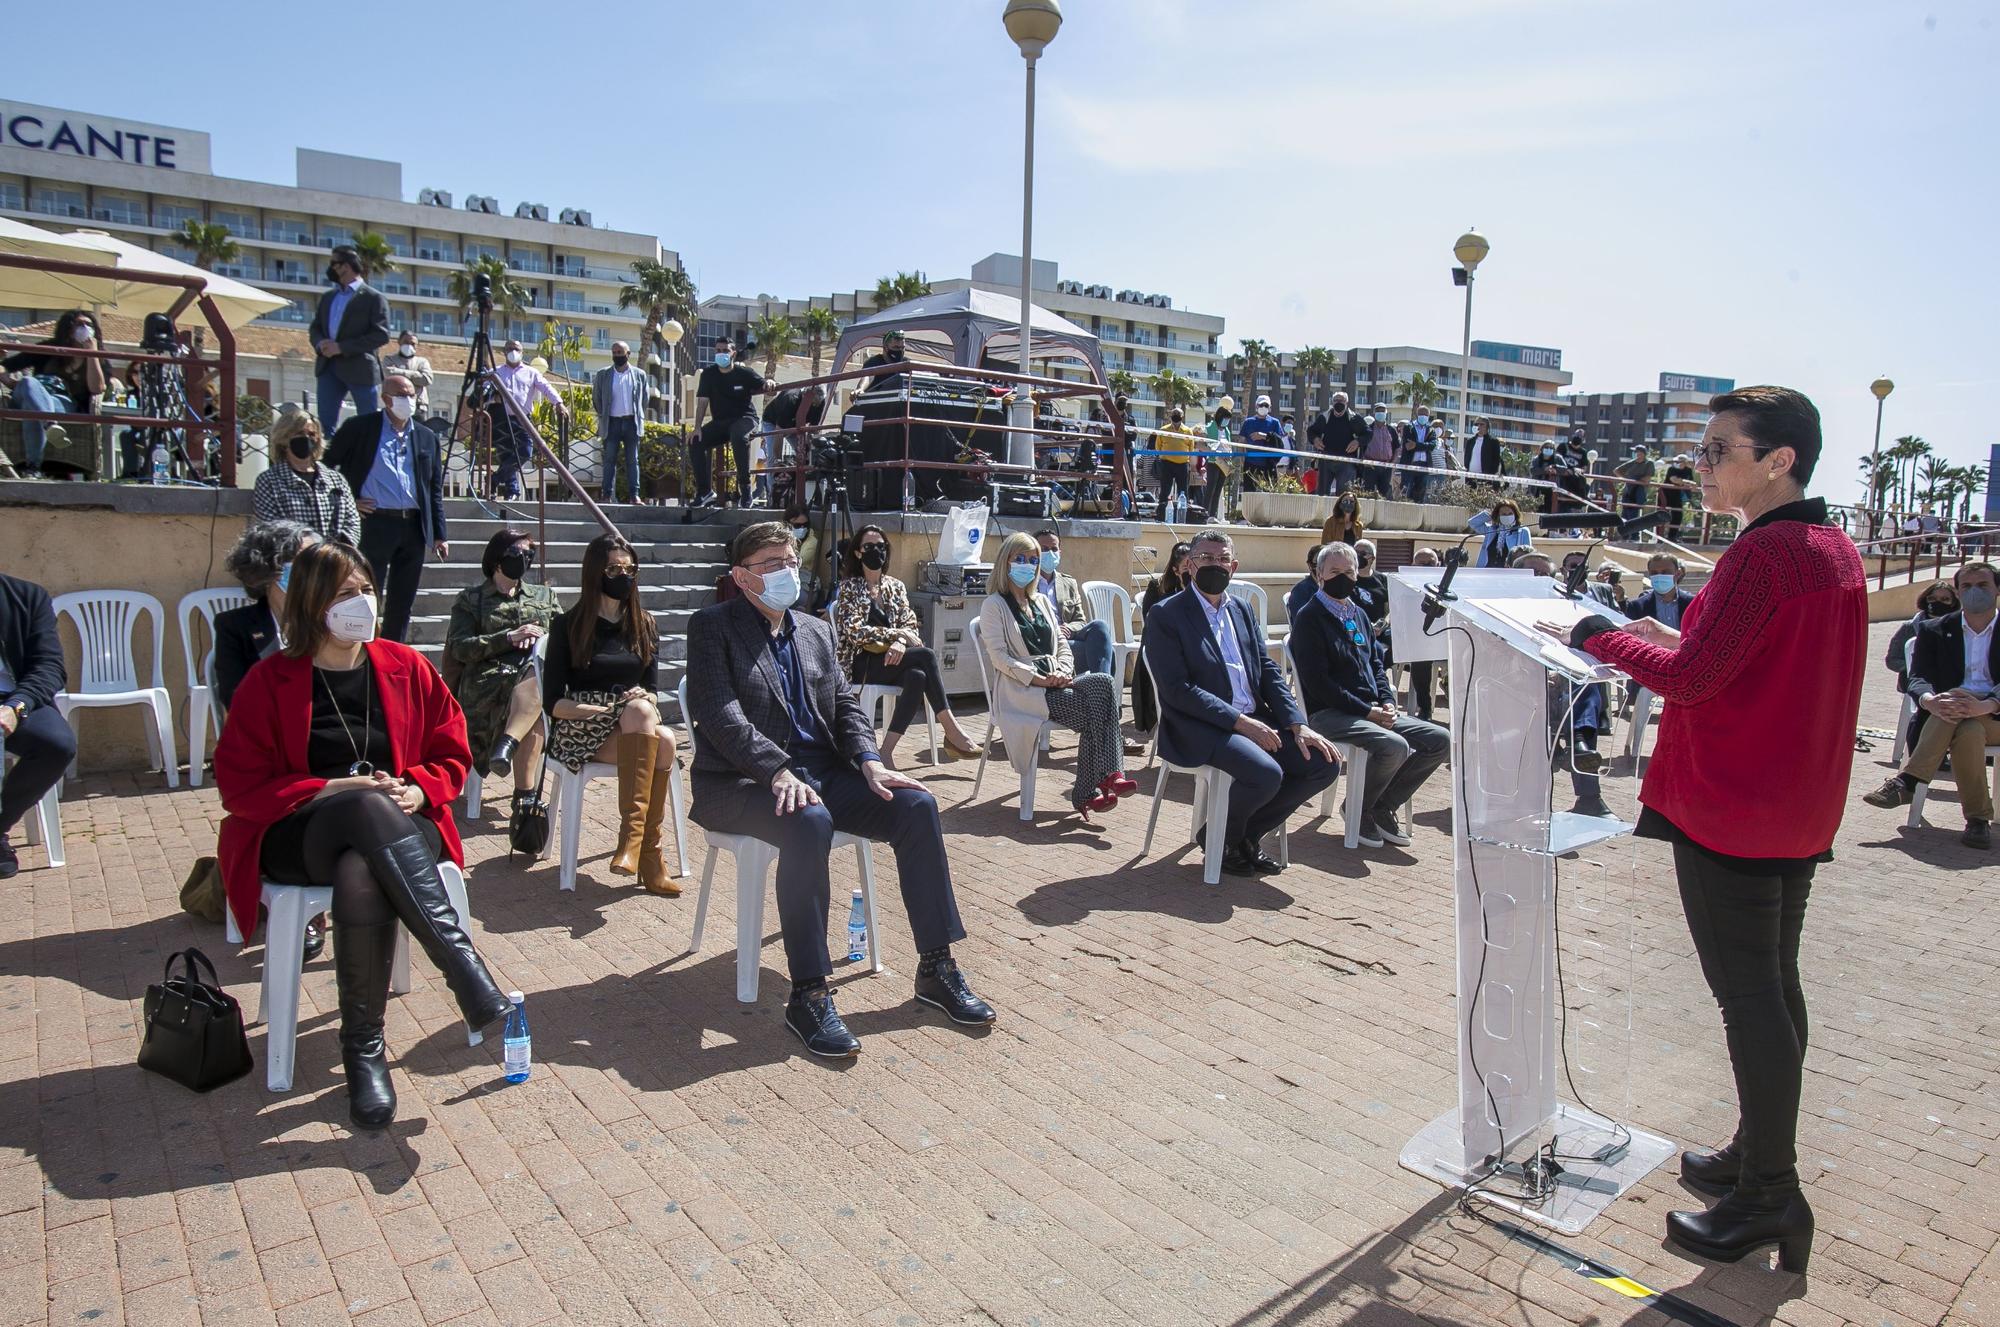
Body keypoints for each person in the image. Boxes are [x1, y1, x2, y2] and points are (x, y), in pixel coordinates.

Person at [1550, 385, 1865, 1273]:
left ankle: (1770, 1193)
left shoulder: (1763, 555)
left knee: (1751, 997)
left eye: (1718, 450)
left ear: (1779, 461)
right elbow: (1734, 656)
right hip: (1793, 804)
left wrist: (1599, 635)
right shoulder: (1831, 548)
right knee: (1774, 985)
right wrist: (1667, 632)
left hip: (1736, 804)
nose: (1699, 466)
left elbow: (1691, 680)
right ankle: (1757, 1153)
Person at [212, 540, 513, 1130]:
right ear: (312, 604)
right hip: (298, 833)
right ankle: (463, 970)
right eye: (346, 593)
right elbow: (238, 784)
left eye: (367, 590)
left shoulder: (405, 665)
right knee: (359, 811)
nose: (363, 603)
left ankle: (363, 1053)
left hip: (401, 826)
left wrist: (421, 790)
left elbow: (452, 752)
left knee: (362, 865)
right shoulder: (270, 679)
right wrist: (325, 790)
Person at [686, 522, 995, 1057]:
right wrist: (775, 769)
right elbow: (719, 713)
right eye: (771, 564)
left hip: (824, 772)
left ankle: (936, 968)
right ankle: (808, 992)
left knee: (917, 806)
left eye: (790, 560)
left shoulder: (815, 629)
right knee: (809, 822)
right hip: (744, 781)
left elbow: (845, 707)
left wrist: (872, 762)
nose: (788, 571)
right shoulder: (713, 627)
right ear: (741, 577)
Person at [1143, 530, 1340, 876]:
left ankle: (1233, 836)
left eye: (1222, 559)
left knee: (1322, 763)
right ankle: (1230, 841)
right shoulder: (1166, 615)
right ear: (1189, 565)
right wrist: (1240, 722)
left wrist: (1298, 724)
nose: (1214, 565)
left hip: (1255, 719)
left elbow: (1266, 671)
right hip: (1201, 726)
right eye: (1205, 558)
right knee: (1265, 773)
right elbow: (1178, 689)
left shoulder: (1242, 610)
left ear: (1234, 566)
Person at [542, 535, 681, 894]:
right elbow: (553, 703)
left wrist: (641, 699)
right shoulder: (567, 626)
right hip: (581, 726)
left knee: (659, 733)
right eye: (614, 569)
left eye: (630, 569)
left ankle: (637, 847)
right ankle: (646, 854)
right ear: (595, 573)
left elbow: (651, 689)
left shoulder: (644, 623)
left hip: (632, 724)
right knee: (657, 734)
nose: (624, 575)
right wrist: (598, 710)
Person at [1291, 542, 1450, 847]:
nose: (1342, 577)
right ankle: (1357, 808)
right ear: (1319, 573)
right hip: (1330, 714)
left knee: (1439, 741)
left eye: (1348, 571)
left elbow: (1375, 664)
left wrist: (1388, 702)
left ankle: (1381, 805)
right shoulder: (1310, 618)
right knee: (1394, 746)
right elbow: (1319, 684)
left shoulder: (1358, 614)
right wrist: (1368, 711)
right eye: (1334, 571)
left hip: (1371, 710)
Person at [978, 531, 1138, 822]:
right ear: (1006, 562)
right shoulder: (994, 605)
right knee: (1096, 714)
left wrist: (1063, 671)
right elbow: (1000, 658)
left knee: (1103, 683)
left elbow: (1062, 644)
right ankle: (1099, 784)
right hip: (1023, 690)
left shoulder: (1040, 601)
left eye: (1033, 560)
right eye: (1021, 559)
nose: (1028, 565)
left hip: (1056, 680)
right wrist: (1039, 679)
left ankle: (1105, 780)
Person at [1863, 561, 1999, 848]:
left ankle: (1907, 783)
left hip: (1995, 715)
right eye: (1967, 586)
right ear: (1959, 592)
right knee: (1967, 729)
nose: (1975, 591)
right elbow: (1918, 677)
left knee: (1962, 720)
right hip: (1951, 711)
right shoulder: (1934, 629)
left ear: (1997, 589)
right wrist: (1930, 701)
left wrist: (1987, 705)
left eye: (1983, 585)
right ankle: (1977, 821)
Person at [829, 527, 981, 766]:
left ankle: (886, 751)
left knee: (917, 676)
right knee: (926, 655)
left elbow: (911, 625)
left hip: (893, 661)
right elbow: (855, 632)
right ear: (858, 553)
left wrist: (900, 642)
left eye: (881, 546)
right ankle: (951, 729)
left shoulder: (895, 586)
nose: (875, 551)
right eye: (869, 547)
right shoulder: (849, 587)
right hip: (860, 664)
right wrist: (898, 635)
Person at [325, 374, 447, 644]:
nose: (408, 400)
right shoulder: (360, 428)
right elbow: (326, 467)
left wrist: (439, 534)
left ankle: (392, 651)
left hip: (413, 526)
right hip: (375, 522)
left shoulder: (426, 437)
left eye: (412, 395)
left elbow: (434, 489)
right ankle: (361, 647)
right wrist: (348, 500)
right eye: (401, 395)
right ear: (386, 398)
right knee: (367, 594)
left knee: (402, 601)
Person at [447, 529, 561, 811]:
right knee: (537, 709)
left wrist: (543, 637)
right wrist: (508, 638)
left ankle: (509, 748)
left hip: (532, 677)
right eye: (518, 554)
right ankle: (526, 799)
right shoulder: (471, 599)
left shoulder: (544, 595)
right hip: (488, 684)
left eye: (529, 555)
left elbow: (566, 638)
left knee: (537, 682)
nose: (524, 560)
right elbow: (460, 648)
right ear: (498, 560)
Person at [0, 572, 73, 879]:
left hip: (14, 696)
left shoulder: (27, 596)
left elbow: (49, 665)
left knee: (56, 744)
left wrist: (16, 706)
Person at [216, 521, 321, 711]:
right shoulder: (234, 626)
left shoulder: (330, 620)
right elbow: (234, 698)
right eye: (303, 564)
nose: (314, 575)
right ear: (268, 571)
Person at [2, 310, 105, 476]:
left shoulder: (98, 357)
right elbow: (5, 365)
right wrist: (8, 381)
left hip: (62, 403)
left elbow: (97, 389)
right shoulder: (48, 349)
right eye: (80, 324)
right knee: (28, 382)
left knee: (32, 410)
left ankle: (33, 468)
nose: (85, 328)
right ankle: (50, 424)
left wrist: (91, 354)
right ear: (68, 328)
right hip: (29, 393)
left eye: (89, 325)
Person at [308, 246, 391, 437]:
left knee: (368, 423)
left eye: (335, 263)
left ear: (347, 265)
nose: (332, 268)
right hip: (328, 367)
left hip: (360, 369)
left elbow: (381, 335)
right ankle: (327, 463)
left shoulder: (373, 297)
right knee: (325, 425)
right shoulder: (328, 297)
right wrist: (321, 343)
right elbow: (315, 327)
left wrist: (342, 347)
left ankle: (367, 462)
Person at [254, 408, 362, 545]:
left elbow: (352, 521)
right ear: (284, 438)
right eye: (299, 433)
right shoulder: (269, 481)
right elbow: (270, 526)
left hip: (333, 559)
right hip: (293, 560)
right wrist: (307, 549)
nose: (306, 439)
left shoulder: (336, 480)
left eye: (311, 434)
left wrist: (336, 551)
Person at [691, 336, 771, 506]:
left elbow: (764, 383)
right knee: (695, 441)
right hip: (721, 422)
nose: (721, 354)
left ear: (733, 353)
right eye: (718, 351)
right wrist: (697, 428)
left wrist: (769, 382)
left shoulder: (744, 373)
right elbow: (702, 402)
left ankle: (746, 489)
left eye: (725, 351)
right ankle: (704, 491)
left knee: (738, 436)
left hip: (745, 418)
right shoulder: (708, 374)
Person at [486, 339, 570, 501]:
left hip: (523, 419)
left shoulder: (531, 372)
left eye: (516, 349)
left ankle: (495, 479)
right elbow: (483, 392)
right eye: (509, 349)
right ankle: (512, 491)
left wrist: (558, 403)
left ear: (522, 352)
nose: (513, 352)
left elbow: (546, 387)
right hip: (502, 419)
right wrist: (492, 398)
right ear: (504, 352)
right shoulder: (495, 372)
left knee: (525, 452)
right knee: (506, 455)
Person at [1028, 529, 1117, 680]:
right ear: (1035, 552)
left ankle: (1100, 687)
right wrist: (1054, 629)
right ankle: (1101, 690)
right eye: (1044, 549)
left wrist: (1068, 627)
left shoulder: (1068, 582)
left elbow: (1080, 621)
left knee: (1100, 626)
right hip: (1046, 642)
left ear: (1060, 552)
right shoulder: (1027, 582)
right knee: (1107, 652)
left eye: (1054, 549)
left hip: (1069, 637)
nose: (1050, 553)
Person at [1132, 542, 1192, 734]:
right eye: (1186, 568)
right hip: (1165, 653)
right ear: (1175, 570)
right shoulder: (1158, 589)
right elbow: (1152, 628)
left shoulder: (1205, 591)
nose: (1191, 572)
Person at [592, 341, 652, 506]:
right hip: (611, 423)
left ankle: (634, 495)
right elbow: (596, 398)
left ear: (628, 354)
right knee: (609, 460)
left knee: (633, 460)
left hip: (631, 423)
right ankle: (606, 496)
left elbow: (644, 399)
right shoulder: (603, 374)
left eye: (620, 352)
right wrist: (604, 415)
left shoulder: (639, 374)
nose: (617, 355)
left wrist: (637, 415)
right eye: (615, 352)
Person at [1885, 580, 1959, 707]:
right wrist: (1916, 667)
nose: (1938, 602)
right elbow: (1892, 660)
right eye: (1933, 598)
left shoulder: (1960, 628)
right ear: (1925, 600)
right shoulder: (1909, 627)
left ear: (1953, 603)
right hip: (1917, 689)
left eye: (1945, 599)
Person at [1313, 392, 1367, 494]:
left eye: (1341, 401)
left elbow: (1368, 434)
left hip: (1347, 462)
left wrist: (1358, 441)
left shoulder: (1355, 418)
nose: (1338, 403)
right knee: (1321, 493)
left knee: (1344, 495)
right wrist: (1315, 439)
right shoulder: (1324, 417)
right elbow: (1311, 431)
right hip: (1326, 460)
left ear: (1347, 403)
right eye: (1336, 401)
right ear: (1332, 403)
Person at [1625, 554, 1695, 630]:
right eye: (1654, 573)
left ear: (1678, 573)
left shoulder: (1693, 603)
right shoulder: (1637, 607)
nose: (1659, 576)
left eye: (1665, 572)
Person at [1152, 406, 1201, 511]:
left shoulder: (1188, 431)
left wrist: (1192, 466)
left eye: (1178, 415)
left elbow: (1191, 448)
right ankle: (1161, 512)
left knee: (1183, 491)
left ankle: (1183, 512)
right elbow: (1158, 447)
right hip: (1166, 464)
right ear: (1170, 416)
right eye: (1174, 415)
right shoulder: (1163, 430)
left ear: (1182, 417)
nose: (1176, 417)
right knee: (1165, 490)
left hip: (1182, 464)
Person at [1468, 498, 1531, 568]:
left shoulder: (1522, 531)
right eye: (1504, 514)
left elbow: (1528, 557)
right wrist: (1490, 515)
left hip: (1509, 575)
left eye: (1510, 513)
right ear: (1498, 516)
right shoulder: (1492, 530)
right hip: (1487, 573)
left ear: (1515, 514)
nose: (1507, 516)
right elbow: (1473, 523)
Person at [1238, 395, 1284, 491]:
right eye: (1261, 405)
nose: (1263, 407)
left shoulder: (1275, 423)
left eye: (1266, 405)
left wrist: (1264, 436)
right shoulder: (1248, 422)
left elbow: (1279, 442)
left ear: (1270, 408)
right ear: (1256, 407)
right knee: (1249, 493)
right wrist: (1242, 460)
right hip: (1251, 463)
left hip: (1269, 464)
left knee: (1270, 492)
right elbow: (1242, 441)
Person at [1202, 400, 1237, 521]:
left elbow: (1228, 444)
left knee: (1218, 489)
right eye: (1225, 418)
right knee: (1210, 488)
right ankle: (1204, 513)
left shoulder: (1226, 430)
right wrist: (1211, 451)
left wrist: (1229, 456)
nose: (1226, 421)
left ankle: (1213, 515)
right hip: (1213, 461)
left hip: (1224, 462)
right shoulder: (1209, 427)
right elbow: (1202, 443)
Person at [390, 332, 433, 416]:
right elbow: (390, 375)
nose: (409, 346)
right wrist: (416, 374)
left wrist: (399, 371)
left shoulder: (422, 362)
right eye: (406, 342)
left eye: (413, 344)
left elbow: (427, 379)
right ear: (399, 342)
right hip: (396, 405)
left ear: (417, 345)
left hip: (418, 406)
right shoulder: (390, 359)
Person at [1660, 453, 1699, 540]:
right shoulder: (1672, 469)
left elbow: (1692, 482)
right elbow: (1674, 480)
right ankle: (1659, 537)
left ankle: (1672, 537)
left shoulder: (1688, 470)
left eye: (1680, 461)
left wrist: (1689, 484)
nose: (1678, 463)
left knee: (1677, 516)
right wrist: (1687, 482)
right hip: (1666, 494)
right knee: (1662, 515)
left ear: (1685, 462)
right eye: (1677, 461)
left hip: (1677, 496)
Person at [1360, 409, 1397, 497]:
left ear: (1386, 413)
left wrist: (1393, 463)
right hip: (1370, 466)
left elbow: (1397, 447)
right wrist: (1364, 461)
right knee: (1368, 494)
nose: (1380, 413)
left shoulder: (1391, 430)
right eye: (1378, 411)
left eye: (1382, 411)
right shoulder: (1368, 429)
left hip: (1386, 467)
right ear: (1375, 413)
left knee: (1386, 494)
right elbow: (1361, 446)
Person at [1617, 445, 1657, 524]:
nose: (1636, 454)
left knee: (1633, 515)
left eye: (1637, 452)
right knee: (1625, 515)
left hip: (1638, 492)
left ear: (1642, 453)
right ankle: (1625, 535)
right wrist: (1627, 478)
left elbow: (1647, 478)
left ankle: (1634, 535)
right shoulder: (1632, 462)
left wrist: (1635, 479)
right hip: (1628, 491)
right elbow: (1617, 471)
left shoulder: (1649, 463)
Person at [1286, 546, 1324, 623]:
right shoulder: (1301, 591)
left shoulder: (1337, 589)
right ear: (1310, 566)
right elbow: (1302, 624)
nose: (1322, 568)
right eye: (1318, 564)